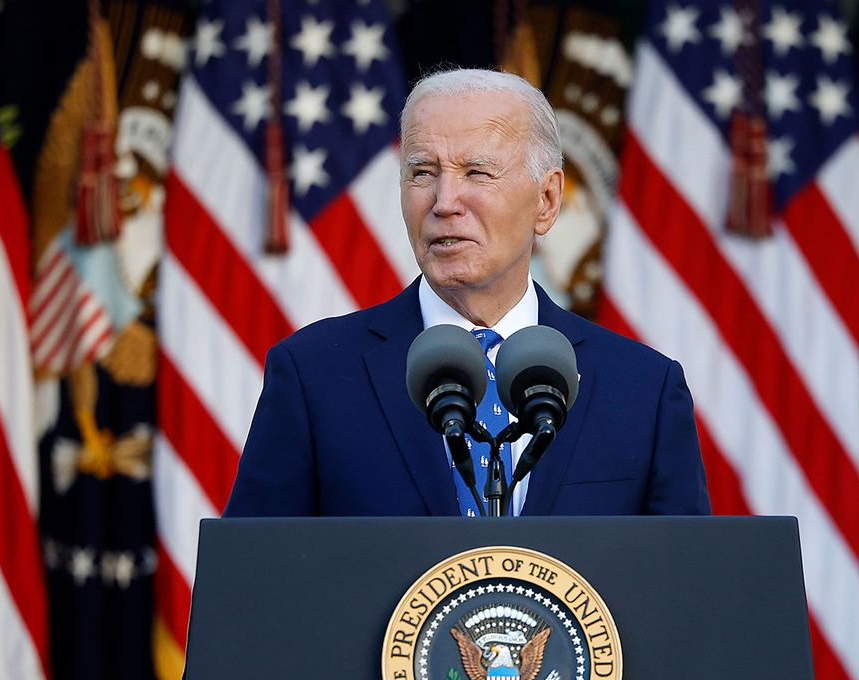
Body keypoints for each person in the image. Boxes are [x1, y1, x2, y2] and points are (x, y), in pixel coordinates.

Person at [223, 68, 709, 518]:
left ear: (547, 200)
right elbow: (251, 586)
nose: (444, 202)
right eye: (422, 172)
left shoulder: (643, 390)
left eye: (477, 172)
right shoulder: (314, 376)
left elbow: (686, 594)